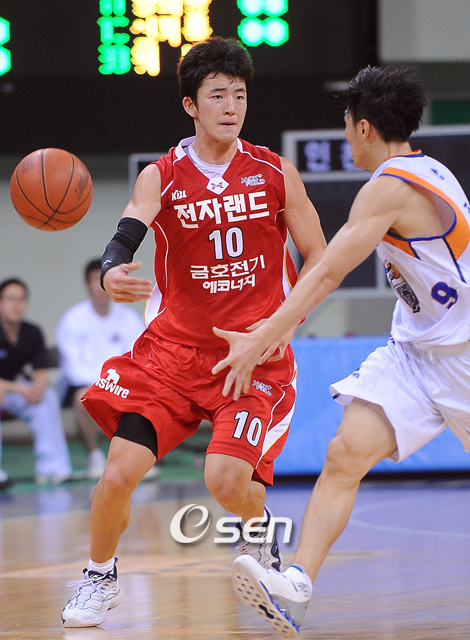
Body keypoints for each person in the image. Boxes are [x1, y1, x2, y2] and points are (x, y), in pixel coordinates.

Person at [61, 36, 326, 628]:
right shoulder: (162, 176)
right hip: (172, 357)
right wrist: (110, 271)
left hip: (251, 359)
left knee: (226, 480)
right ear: (191, 105)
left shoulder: (274, 172)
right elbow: (126, 233)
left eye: (239, 95)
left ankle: (259, 536)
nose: (231, 107)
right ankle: (99, 577)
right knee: (116, 474)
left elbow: (320, 257)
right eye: (218, 96)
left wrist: (281, 325)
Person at [212, 64, 470, 638]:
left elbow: (327, 270)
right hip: (415, 354)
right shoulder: (428, 169)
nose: (346, 135)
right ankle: (296, 585)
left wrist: (264, 334)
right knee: (344, 454)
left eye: (347, 124)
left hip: (464, 357)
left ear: (364, 128)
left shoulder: (390, 185)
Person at [56, 259, 145, 479]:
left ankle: (135, 459)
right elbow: (72, 366)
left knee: (144, 397)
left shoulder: (128, 318)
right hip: (87, 384)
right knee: (82, 399)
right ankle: (95, 456)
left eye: (104, 279)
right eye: (96, 280)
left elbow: (138, 357)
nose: (101, 286)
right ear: (87, 284)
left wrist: (118, 384)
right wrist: (103, 385)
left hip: (123, 384)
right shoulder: (73, 319)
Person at [0, 278, 72, 488]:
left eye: (21, 299)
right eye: (10, 299)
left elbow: (41, 372)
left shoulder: (32, 332)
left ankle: (53, 468)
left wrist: (37, 388)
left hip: (15, 393)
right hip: (8, 391)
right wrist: (18, 388)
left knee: (47, 396)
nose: (16, 304)